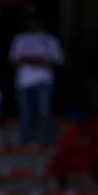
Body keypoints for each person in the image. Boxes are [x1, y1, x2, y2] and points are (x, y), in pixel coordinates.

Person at [9, 16, 64, 144]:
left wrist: (36, 60)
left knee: (44, 112)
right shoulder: (20, 39)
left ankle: (45, 141)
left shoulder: (50, 40)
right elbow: (14, 58)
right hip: (24, 82)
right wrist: (37, 60)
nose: (34, 25)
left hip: (44, 81)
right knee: (25, 113)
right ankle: (26, 141)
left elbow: (58, 59)